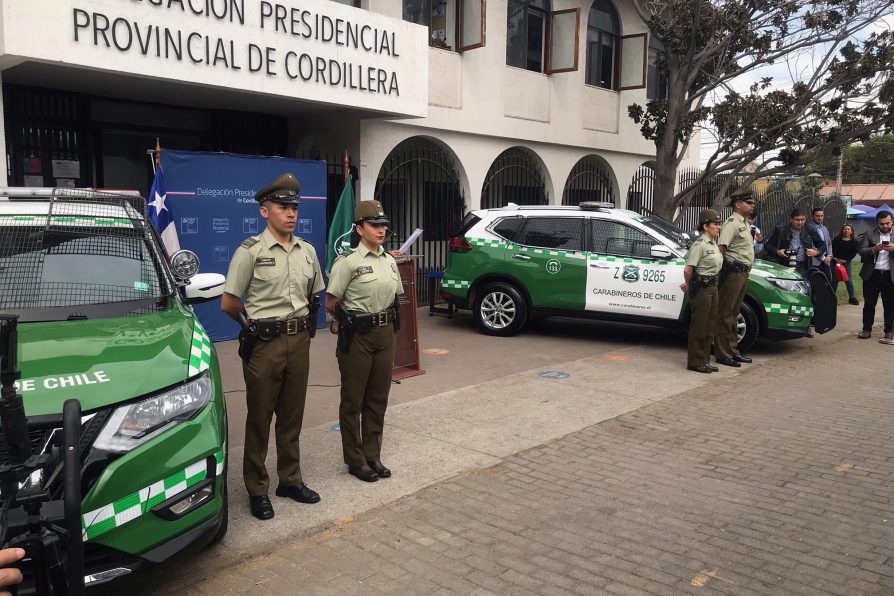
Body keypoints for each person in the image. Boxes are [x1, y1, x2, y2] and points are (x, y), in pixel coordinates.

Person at [221, 172, 324, 520]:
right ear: (265, 212)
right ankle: (257, 488)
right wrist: (251, 329)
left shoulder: (307, 251)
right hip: (264, 343)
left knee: (292, 416)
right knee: (260, 418)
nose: (291, 213)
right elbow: (229, 302)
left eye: (294, 207)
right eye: (283, 207)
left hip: (299, 341)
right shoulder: (250, 252)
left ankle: (290, 480)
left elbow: (315, 294)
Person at [326, 200, 404, 483]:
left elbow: (396, 296)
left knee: (378, 398)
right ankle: (355, 460)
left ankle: (373, 455)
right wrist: (345, 324)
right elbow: (331, 301)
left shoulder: (389, 261)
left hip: (385, 334)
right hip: (357, 334)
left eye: (383, 225)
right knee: (353, 400)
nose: (381, 230)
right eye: (374, 225)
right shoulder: (349, 262)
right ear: (359, 229)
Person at [715, 191, 756, 367]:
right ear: (738, 204)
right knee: (726, 313)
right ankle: (723, 354)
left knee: (734, 313)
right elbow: (721, 249)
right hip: (733, 272)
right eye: (748, 202)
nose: (752, 205)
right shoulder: (732, 223)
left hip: (743, 272)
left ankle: (733, 351)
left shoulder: (744, 223)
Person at [681, 209, 723, 373]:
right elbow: (688, 269)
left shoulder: (712, 244)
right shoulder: (700, 245)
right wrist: (690, 286)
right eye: (715, 224)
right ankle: (695, 361)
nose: (718, 227)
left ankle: (704, 359)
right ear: (706, 226)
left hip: (713, 286)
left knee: (710, 324)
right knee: (700, 324)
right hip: (702, 288)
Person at [857, 210, 894, 344]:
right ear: (877, 223)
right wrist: (874, 249)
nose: (885, 226)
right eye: (881, 224)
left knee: (890, 305)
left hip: (890, 276)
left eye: (887, 223)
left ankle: (889, 332)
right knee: (869, 304)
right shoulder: (870, 233)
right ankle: (866, 330)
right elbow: (861, 251)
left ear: (892, 222)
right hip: (872, 274)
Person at [764, 208, 825, 276]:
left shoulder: (810, 230)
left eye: (802, 220)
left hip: (803, 267)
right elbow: (767, 246)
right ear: (791, 219)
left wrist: (817, 252)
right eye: (797, 220)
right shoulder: (781, 230)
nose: (800, 222)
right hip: (784, 265)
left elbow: (823, 245)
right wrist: (778, 252)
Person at [831, 223, 860, 305]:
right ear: (842, 230)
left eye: (848, 229)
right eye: (845, 229)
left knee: (848, 280)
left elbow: (854, 252)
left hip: (846, 263)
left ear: (851, 231)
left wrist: (846, 260)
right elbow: (831, 248)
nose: (846, 230)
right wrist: (834, 258)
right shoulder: (836, 239)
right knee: (834, 280)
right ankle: (832, 297)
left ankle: (852, 297)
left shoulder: (854, 241)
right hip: (835, 262)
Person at [809, 207, 834, 284]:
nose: (820, 218)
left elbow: (829, 243)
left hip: (826, 261)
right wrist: (823, 258)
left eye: (821, 216)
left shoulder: (824, 228)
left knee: (828, 283)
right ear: (812, 216)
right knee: (816, 285)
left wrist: (829, 255)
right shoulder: (808, 228)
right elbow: (811, 246)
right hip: (815, 261)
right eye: (817, 216)